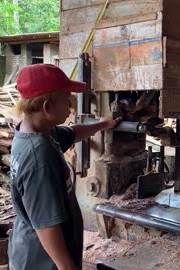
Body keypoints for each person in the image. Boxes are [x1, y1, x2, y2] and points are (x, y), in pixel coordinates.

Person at [8, 64, 121, 269]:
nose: (70, 107)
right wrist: (67, 267)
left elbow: (73, 132)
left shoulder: (36, 132)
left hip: (31, 249)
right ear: (47, 106)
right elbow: (47, 226)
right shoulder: (40, 157)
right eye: (67, 100)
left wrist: (104, 124)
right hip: (42, 260)